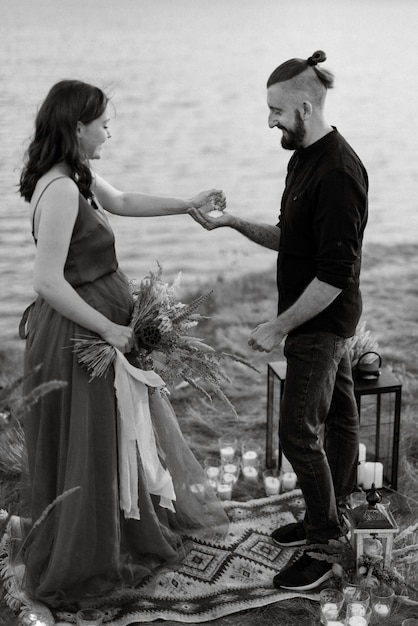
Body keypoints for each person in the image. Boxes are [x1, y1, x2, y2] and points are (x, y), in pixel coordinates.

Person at [17, 79, 229, 609]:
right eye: (105, 124)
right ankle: (83, 556)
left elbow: (123, 199)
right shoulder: (61, 190)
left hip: (89, 329)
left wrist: (186, 204)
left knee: (110, 437)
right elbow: (47, 282)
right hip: (79, 337)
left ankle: (111, 532)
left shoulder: (76, 177)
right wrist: (110, 330)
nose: (111, 132)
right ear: (78, 127)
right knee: (88, 446)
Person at [189, 50, 368, 591]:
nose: (269, 121)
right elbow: (288, 238)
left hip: (321, 321)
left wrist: (279, 327)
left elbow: (335, 275)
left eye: (275, 111)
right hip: (318, 320)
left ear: (305, 107)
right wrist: (231, 223)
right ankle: (326, 520)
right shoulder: (302, 158)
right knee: (340, 420)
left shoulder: (339, 172)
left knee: (297, 432)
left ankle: (325, 546)